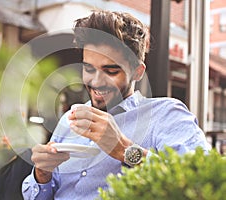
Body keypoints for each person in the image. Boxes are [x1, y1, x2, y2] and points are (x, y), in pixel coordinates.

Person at [22, 10, 211, 200]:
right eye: (88, 68)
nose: (96, 81)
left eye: (111, 71)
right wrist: (42, 175)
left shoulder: (166, 115)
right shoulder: (68, 120)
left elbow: (200, 185)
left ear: (137, 72)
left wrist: (124, 149)